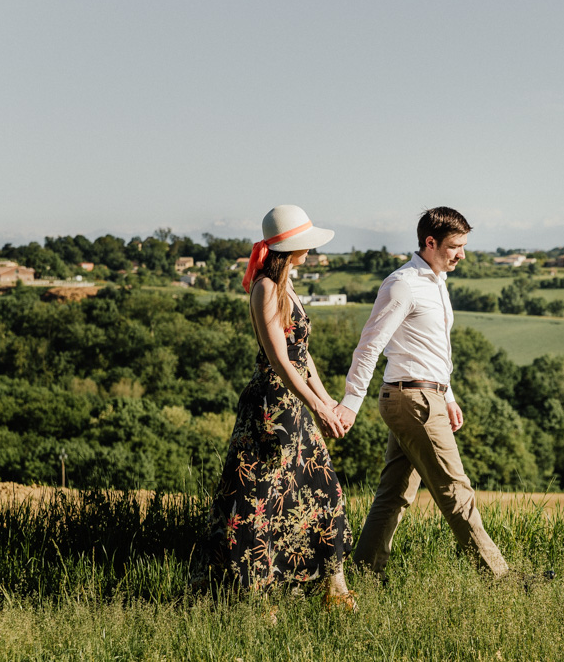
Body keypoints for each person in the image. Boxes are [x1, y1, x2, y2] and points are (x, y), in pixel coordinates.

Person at [334, 206, 510, 580]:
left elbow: (430, 349)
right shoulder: (403, 284)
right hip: (411, 400)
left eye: (463, 245)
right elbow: (369, 345)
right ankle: (501, 578)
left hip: (424, 395)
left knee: (395, 492)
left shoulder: (435, 282)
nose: (462, 254)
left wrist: (447, 394)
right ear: (430, 243)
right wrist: (351, 401)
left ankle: (364, 575)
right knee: (455, 489)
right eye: (454, 246)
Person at [206, 204, 356, 611]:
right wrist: (318, 408)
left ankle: (334, 590)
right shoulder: (266, 288)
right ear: (291, 248)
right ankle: (260, 598)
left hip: (293, 406)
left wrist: (327, 401)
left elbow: (303, 358)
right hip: (271, 410)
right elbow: (279, 361)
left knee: (324, 493)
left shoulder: (286, 286)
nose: (311, 249)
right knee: (261, 503)